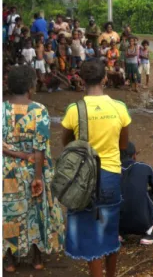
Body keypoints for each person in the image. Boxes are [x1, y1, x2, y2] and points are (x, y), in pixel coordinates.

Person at [61, 59, 131, 277]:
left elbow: (67, 143)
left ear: (81, 80)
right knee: (109, 230)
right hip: (110, 176)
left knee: (91, 235)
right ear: (105, 78)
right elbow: (123, 145)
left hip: (83, 179)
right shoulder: (119, 107)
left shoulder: (74, 110)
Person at [2, 65, 65, 273]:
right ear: (30, 86)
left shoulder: (1, 110)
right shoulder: (39, 110)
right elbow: (40, 148)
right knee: (36, 210)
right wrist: (37, 176)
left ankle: (9, 260)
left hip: (7, 172)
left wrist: (15, 154)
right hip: (33, 170)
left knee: (10, 212)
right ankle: (37, 258)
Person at [119, 142, 153, 245]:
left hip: (117, 224)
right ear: (134, 155)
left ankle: (117, 234)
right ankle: (149, 233)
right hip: (142, 223)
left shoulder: (111, 170)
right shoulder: (144, 167)